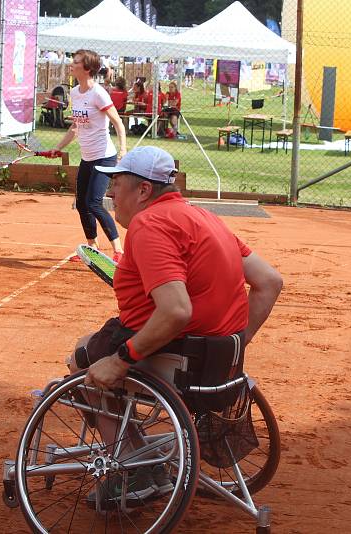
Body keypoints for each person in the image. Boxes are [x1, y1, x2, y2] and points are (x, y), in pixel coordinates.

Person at [66, 146, 283, 502]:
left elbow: (175, 310)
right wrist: (234, 344)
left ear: (143, 191)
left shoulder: (149, 224)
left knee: (82, 360)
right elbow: (269, 282)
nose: (109, 193)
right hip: (215, 360)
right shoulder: (206, 217)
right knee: (97, 346)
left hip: (177, 353)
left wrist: (121, 360)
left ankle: (134, 469)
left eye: (116, 183)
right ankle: (141, 455)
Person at [50, 49, 127, 262]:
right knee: (82, 204)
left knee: (93, 203)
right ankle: (93, 247)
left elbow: (118, 123)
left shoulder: (98, 93)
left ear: (86, 69)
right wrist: (58, 147)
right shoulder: (75, 93)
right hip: (87, 157)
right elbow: (75, 127)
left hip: (104, 157)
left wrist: (123, 150)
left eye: (75, 62)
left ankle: (118, 250)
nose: (71, 65)